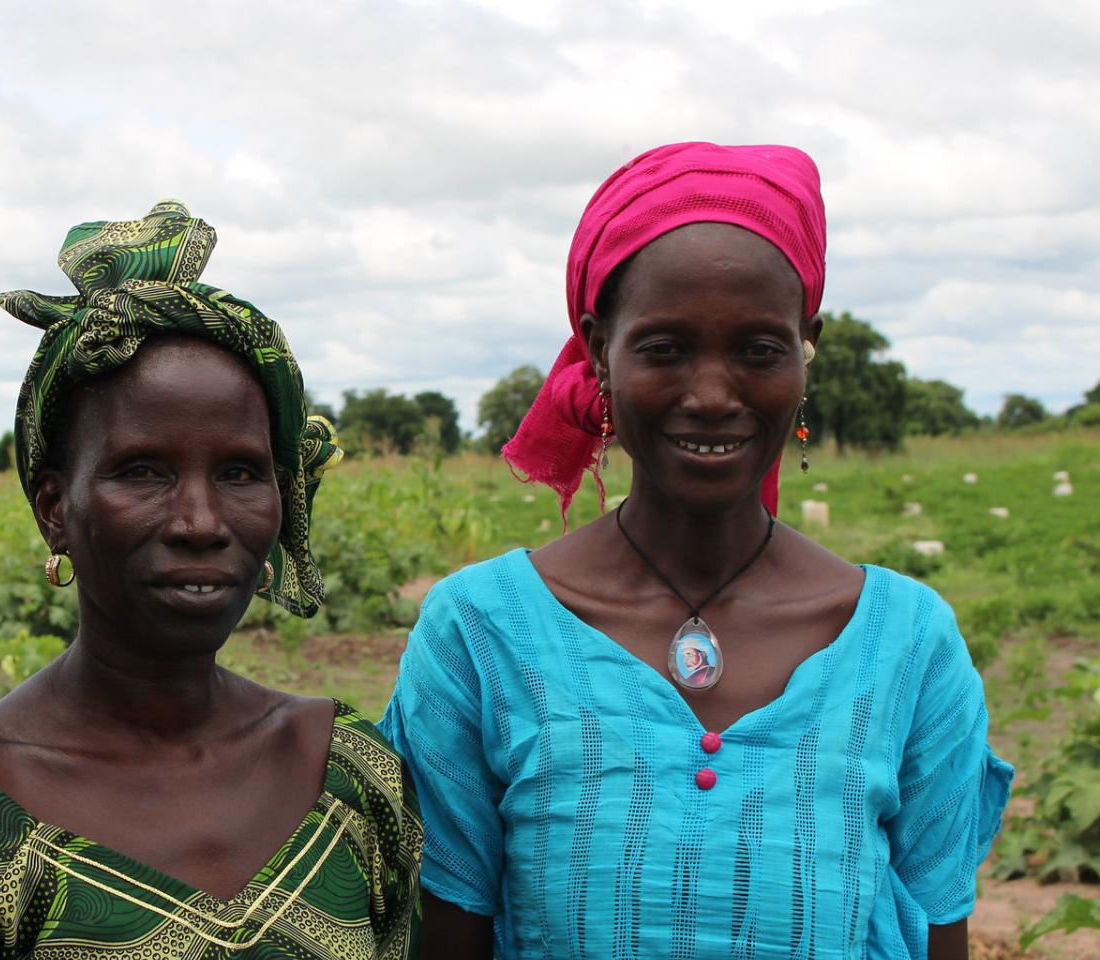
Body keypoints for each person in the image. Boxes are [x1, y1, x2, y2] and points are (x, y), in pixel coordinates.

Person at [380, 143, 1012, 959]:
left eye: (758, 349)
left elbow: (938, 933)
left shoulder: (908, 644)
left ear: (805, 349)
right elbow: (448, 936)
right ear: (598, 346)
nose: (712, 395)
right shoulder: (479, 634)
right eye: (665, 348)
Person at [0, 201, 421, 959]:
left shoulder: (348, 773)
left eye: (241, 472)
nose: (201, 521)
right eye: (142, 471)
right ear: (54, 508)